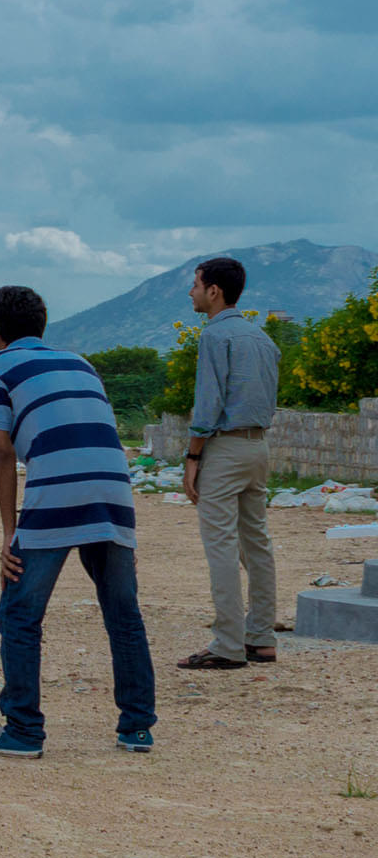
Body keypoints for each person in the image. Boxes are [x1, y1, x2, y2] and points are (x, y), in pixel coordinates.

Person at [0, 284, 155, 757]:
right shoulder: (80, 363)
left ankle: (23, 730)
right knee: (122, 611)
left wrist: (10, 534)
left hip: (58, 491)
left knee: (20, 611)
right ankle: (137, 727)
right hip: (113, 488)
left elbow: (2, 452)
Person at [180, 255, 280, 670]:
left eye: (196, 284)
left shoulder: (214, 337)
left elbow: (208, 405)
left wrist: (192, 457)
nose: (192, 291)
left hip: (223, 448)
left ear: (214, 290)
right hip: (258, 446)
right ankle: (261, 637)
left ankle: (227, 643)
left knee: (220, 544)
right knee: (256, 543)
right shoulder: (263, 339)